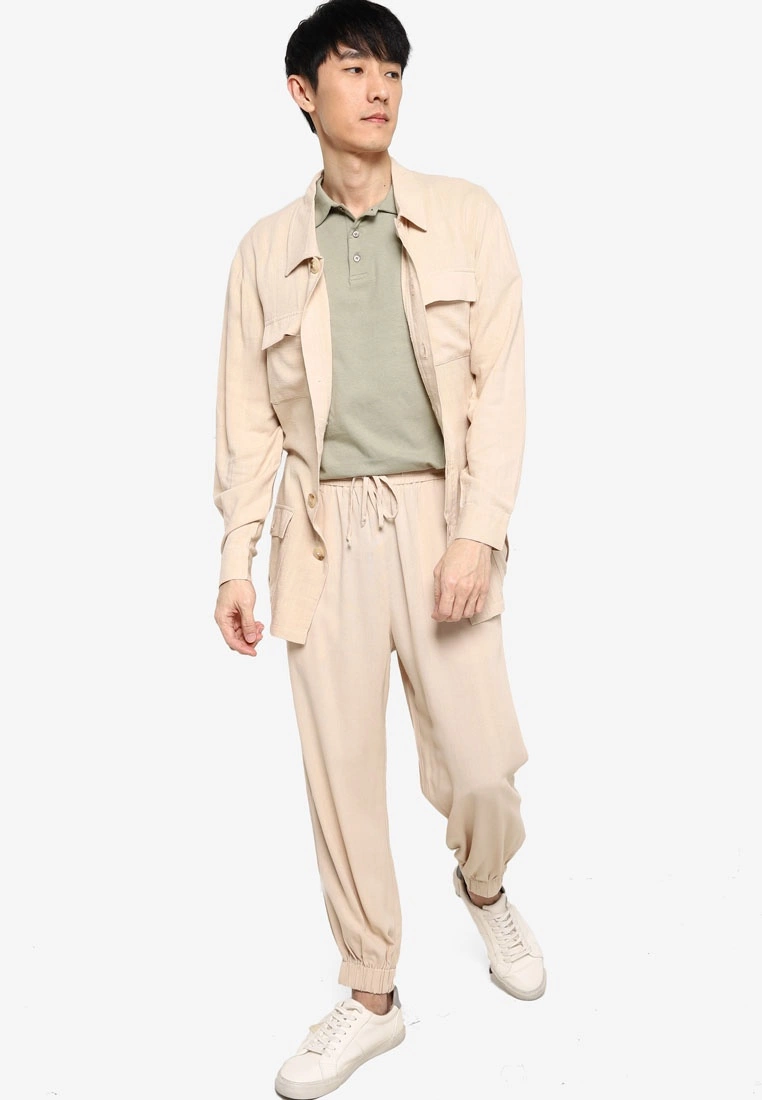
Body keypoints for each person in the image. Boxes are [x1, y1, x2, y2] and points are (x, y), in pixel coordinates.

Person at [212, 1, 545, 1095]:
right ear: (303, 92)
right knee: (341, 776)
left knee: (483, 764)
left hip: (440, 515)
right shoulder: (266, 251)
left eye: (391, 69)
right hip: (321, 533)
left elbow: (500, 391)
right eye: (354, 68)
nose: (379, 87)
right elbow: (248, 421)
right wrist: (234, 557)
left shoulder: (465, 215)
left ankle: (485, 887)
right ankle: (370, 995)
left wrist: (477, 533)